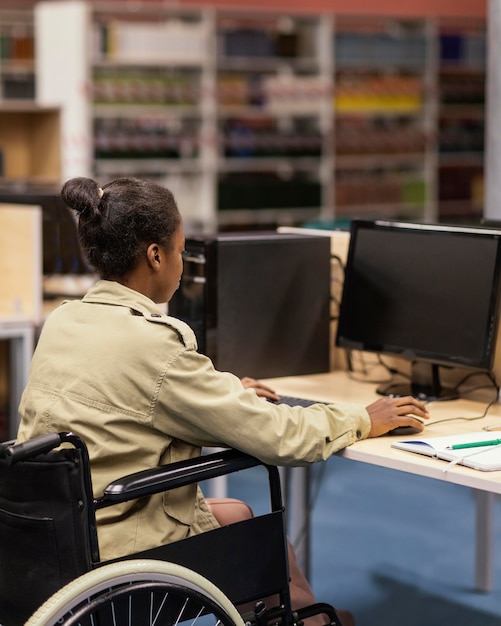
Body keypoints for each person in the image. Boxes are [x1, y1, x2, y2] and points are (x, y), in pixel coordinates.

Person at [16, 177, 429, 626]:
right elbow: (278, 438)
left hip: (56, 540)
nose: (182, 262)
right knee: (258, 534)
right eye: (180, 249)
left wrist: (225, 394)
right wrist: (361, 418)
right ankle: (313, 619)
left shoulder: (64, 321)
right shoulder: (156, 345)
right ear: (155, 256)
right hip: (120, 552)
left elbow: (127, 400)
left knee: (239, 513)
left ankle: (308, 618)